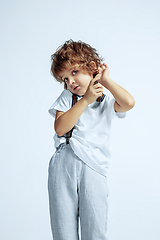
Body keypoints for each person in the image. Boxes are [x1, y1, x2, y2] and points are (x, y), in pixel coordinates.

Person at [47, 39, 135, 240]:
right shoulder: (67, 98)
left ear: (93, 67)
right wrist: (85, 100)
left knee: (95, 228)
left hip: (94, 166)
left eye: (74, 72)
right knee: (63, 229)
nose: (71, 82)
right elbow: (60, 128)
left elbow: (129, 103)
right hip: (64, 163)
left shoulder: (106, 102)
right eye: (65, 79)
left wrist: (106, 81)